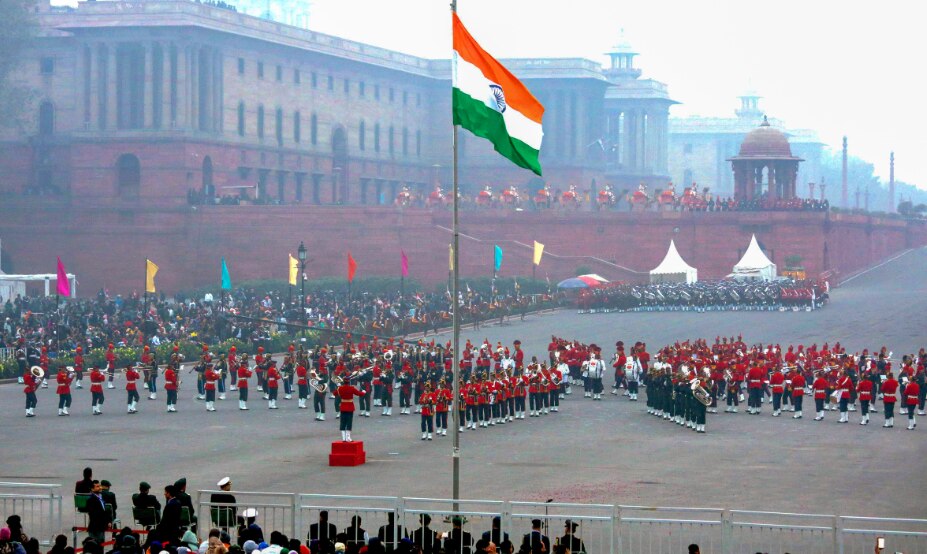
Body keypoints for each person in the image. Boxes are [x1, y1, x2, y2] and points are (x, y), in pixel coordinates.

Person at [337, 378, 366, 442]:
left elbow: (334, 393)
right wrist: (364, 392)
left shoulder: (340, 388)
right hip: (350, 407)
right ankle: (348, 437)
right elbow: (359, 394)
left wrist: (338, 387)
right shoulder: (351, 388)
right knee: (349, 422)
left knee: (343, 422)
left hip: (343, 406)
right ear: (349, 382)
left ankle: (343, 438)